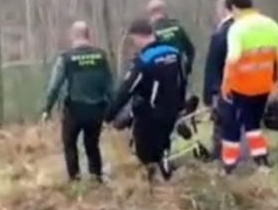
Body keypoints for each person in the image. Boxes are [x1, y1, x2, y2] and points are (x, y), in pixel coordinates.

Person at [220, 0, 278, 174]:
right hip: (263, 84)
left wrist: (225, 85)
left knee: (233, 125)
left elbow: (233, 59)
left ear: (235, 8)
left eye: (230, 11)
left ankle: (229, 165)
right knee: (253, 123)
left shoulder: (237, 28)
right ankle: (261, 160)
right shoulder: (271, 24)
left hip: (241, 85)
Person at [106, 18, 186, 182]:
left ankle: (155, 184)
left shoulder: (145, 61)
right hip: (171, 110)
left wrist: (109, 114)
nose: (134, 44)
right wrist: (180, 105)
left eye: (133, 40)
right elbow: (182, 80)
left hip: (150, 113)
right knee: (163, 144)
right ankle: (167, 176)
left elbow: (127, 90)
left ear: (138, 36)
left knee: (145, 153)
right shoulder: (174, 53)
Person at [42, 21, 113, 183]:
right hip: (97, 110)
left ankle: (75, 178)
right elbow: (110, 86)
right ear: (89, 35)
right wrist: (113, 110)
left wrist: (47, 109)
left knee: (70, 144)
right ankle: (96, 177)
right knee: (92, 144)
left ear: (73, 36)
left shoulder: (66, 58)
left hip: (74, 110)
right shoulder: (101, 56)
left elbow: (54, 86)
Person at [202, 0, 235, 161]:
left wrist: (209, 94)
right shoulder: (245, 29)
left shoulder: (221, 34)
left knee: (222, 122)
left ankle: (221, 155)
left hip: (224, 85)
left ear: (223, 10)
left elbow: (212, 66)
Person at [146, 0, 196, 77]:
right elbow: (190, 50)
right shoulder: (177, 27)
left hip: (160, 74)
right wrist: (187, 68)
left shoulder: (151, 31)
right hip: (178, 72)